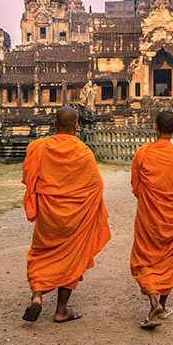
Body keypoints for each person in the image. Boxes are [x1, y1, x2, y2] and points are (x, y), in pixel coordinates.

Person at [21, 106, 111, 323]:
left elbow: (29, 178)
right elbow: (96, 185)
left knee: (41, 253)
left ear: (54, 124)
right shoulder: (84, 152)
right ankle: (61, 310)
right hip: (75, 218)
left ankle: (37, 295)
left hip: (48, 215)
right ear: (77, 126)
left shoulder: (38, 147)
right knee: (73, 257)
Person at [129, 110, 173, 329]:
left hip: (148, 215)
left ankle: (154, 301)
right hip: (170, 215)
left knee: (145, 256)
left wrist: (147, 198)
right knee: (168, 257)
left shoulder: (143, 153)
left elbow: (135, 184)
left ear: (155, 127)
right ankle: (161, 304)